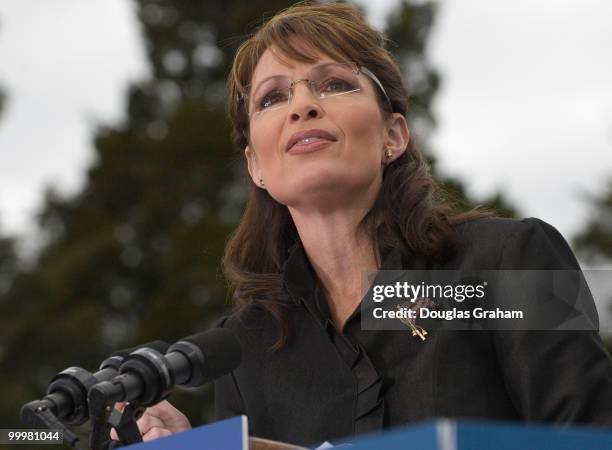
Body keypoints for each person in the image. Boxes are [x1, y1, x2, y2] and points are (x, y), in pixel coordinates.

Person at [112, 1, 612, 447]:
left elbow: (593, 436)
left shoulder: (513, 262)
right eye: (271, 98)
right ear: (255, 166)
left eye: (335, 84)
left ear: (393, 136)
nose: (303, 106)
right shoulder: (243, 350)